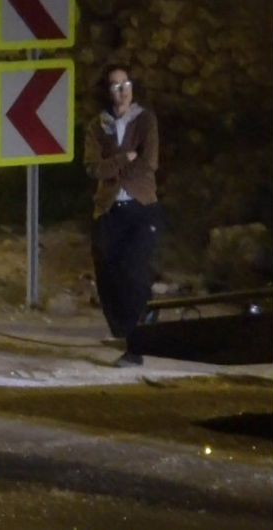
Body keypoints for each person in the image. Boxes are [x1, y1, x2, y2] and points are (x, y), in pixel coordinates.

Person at [84, 64, 160, 367]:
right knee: (108, 275)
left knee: (133, 273)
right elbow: (92, 167)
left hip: (141, 208)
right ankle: (126, 327)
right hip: (108, 209)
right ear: (107, 91)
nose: (122, 90)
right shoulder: (97, 126)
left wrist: (114, 166)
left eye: (125, 83)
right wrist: (122, 158)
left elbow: (149, 162)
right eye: (115, 85)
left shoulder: (145, 120)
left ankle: (135, 343)